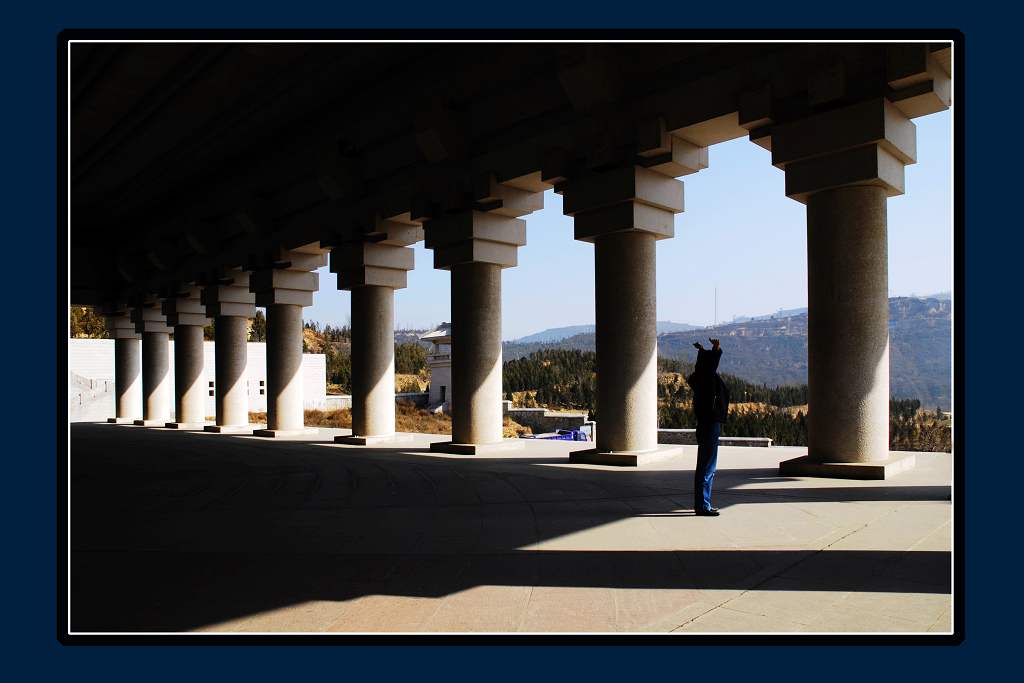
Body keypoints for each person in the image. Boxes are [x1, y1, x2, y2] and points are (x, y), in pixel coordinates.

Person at [686, 338, 730, 516]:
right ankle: (703, 505)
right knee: (707, 465)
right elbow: (709, 368)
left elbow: (703, 367)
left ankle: (702, 504)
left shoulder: (698, 380)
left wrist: (703, 350)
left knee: (704, 464)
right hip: (710, 423)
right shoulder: (706, 380)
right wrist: (716, 349)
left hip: (704, 423)